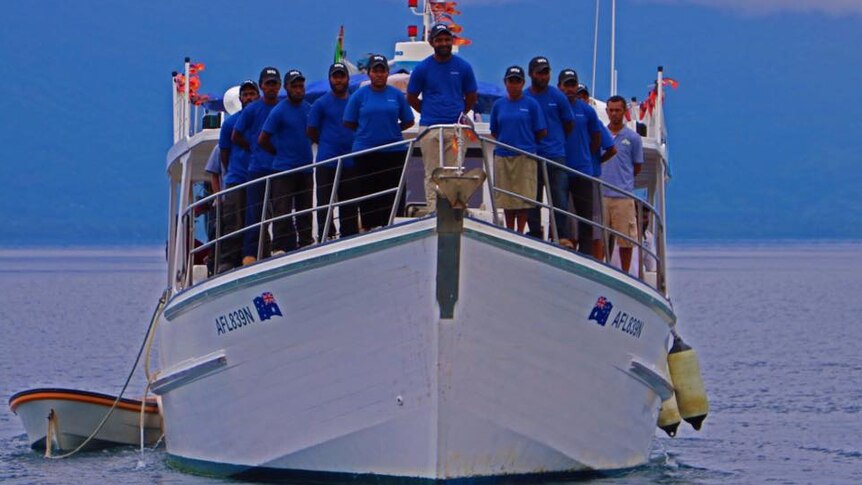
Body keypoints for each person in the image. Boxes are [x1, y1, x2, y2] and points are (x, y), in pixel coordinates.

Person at [406, 22, 478, 213]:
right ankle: (433, 211)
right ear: (432, 42)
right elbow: (411, 96)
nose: (443, 43)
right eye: (439, 40)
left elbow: (471, 95)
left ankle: (454, 210)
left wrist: (460, 113)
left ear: (452, 41)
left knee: (454, 173)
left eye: (447, 39)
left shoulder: (463, 67)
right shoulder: (423, 68)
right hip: (430, 128)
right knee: (432, 172)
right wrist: (428, 111)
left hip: (456, 129)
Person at [343, 54, 415, 231]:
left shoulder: (396, 95)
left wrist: (391, 130)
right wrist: (367, 132)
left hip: (394, 152)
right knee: (368, 196)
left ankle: (394, 228)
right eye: (375, 70)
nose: (379, 74)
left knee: (393, 196)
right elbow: (349, 121)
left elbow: (408, 121)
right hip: (366, 153)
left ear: (387, 73)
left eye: (382, 71)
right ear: (368, 73)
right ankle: (369, 229)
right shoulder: (359, 96)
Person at [558, 70, 616, 257]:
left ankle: (589, 257)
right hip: (560, 169)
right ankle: (562, 249)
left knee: (588, 220)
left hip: (584, 172)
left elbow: (604, 142)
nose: (571, 90)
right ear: (560, 87)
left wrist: (591, 157)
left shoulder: (588, 112)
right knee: (562, 216)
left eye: (574, 86)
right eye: (567, 85)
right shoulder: (555, 108)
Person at [207, 80, 260, 273]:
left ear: (258, 95)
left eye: (252, 94)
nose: (249, 97)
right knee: (234, 222)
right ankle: (228, 262)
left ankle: (261, 253)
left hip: (259, 178)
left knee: (259, 218)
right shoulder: (230, 123)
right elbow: (224, 153)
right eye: (245, 95)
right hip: (237, 179)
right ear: (240, 98)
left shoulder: (266, 119)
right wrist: (231, 173)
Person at [260, 69, 314, 253]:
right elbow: (263, 139)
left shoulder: (309, 108)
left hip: (306, 169)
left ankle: (306, 243)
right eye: (294, 86)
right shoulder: (279, 110)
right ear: (287, 87)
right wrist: (279, 152)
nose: (298, 90)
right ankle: (279, 247)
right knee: (282, 211)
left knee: (305, 209)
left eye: (301, 86)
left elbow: (315, 133)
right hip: (283, 170)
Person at [233, 67, 282, 265]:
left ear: (279, 86)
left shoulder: (284, 107)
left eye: (274, 83)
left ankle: (281, 247)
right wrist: (254, 147)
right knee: (255, 213)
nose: (271, 86)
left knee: (282, 209)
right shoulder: (252, 109)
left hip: (281, 168)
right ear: (262, 86)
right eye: (267, 83)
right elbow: (235, 136)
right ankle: (249, 255)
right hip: (258, 168)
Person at [489, 66, 547, 233]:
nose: (514, 85)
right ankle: (509, 230)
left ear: (523, 83)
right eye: (511, 81)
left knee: (523, 200)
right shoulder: (498, 105)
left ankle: (520, 231)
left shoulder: (531, 104)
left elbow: (541, 131)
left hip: (525, 157)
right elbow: (494, 130)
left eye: (517, 81)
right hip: (503, 156)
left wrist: (525, 143)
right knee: (507, 199)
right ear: (505, 83)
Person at [524, 56, 574, 245]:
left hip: (555, 155)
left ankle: (560, 235)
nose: (543, 76)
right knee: (532, 198)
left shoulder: (558, 97)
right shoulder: (525, 97)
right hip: (532, 155)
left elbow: (568, 124)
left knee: (559, 197)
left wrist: (557, 141)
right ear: (531, 74)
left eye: (546, 72)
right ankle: (535, 232)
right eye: (540, 72)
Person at [308, 62, 359, 239]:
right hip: (327, 162)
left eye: (341, 76)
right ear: (330, 79)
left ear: (347, 78)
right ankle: (325, 236)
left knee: (350, 204)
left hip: (351, 162)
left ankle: (349, 237)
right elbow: (311, 131)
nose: (338, 80)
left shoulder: (355, 100)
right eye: (335, 76)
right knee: (324, 203)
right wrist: (325, 144)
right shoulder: (320, 104)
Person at [601, 95, 644, 273]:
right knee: (600, 237)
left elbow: (637, 165)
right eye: (611, 110)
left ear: (624, 111)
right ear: (607, 111)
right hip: (602, 193)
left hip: (623, 196)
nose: (614, 114)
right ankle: (600, 269)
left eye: (618, 110)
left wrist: (624, 179)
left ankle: (625, 273)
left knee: (625, 239)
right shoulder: (600, 134)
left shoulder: (633, 138)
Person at [577, 84, 617, 259]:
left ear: (587, 99)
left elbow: (611, 148)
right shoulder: (563, 119)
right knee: (571, 224)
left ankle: (597, 262)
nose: (580, 100)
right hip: (569, 176)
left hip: (591, 177)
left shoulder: (594, 121)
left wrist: (596, 162)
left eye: (583, 96)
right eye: (578, 96)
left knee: (595, 227)